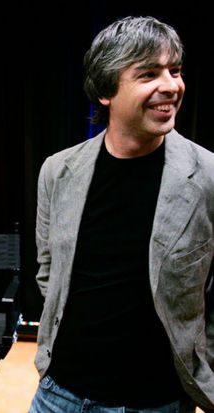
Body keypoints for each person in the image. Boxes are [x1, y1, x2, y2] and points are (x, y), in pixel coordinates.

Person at [29, 16, 214, 413]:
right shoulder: (57, 171)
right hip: (57, 395)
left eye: (175, 70)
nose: (171, 85)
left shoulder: (208, 177)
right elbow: (49, 272)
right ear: (105, 91)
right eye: (148, 74)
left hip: (156, 403)